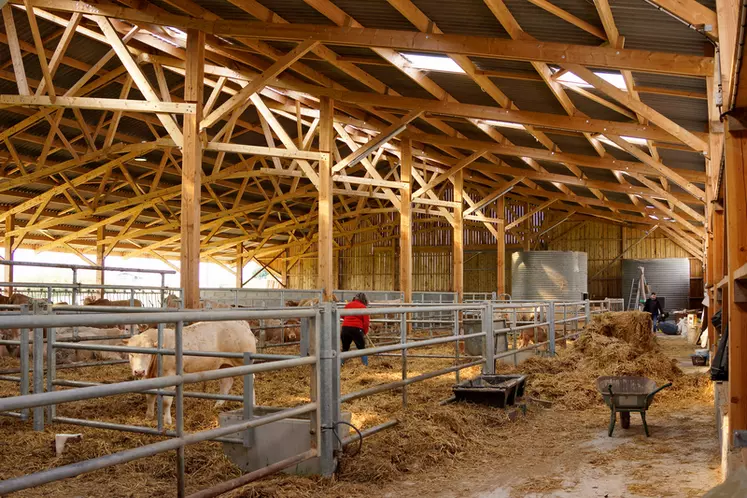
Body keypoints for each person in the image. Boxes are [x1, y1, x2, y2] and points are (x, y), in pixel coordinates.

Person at [341, 293, 370, 366]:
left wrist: (348, 320)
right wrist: (365, 332)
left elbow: (342, 315)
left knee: (345, 348)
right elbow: (366, 322)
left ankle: (340, 364)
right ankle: (365, 365)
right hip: (357, 329)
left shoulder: (348, 305)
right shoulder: (363, 307)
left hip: (345, 328)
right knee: (362, 348)